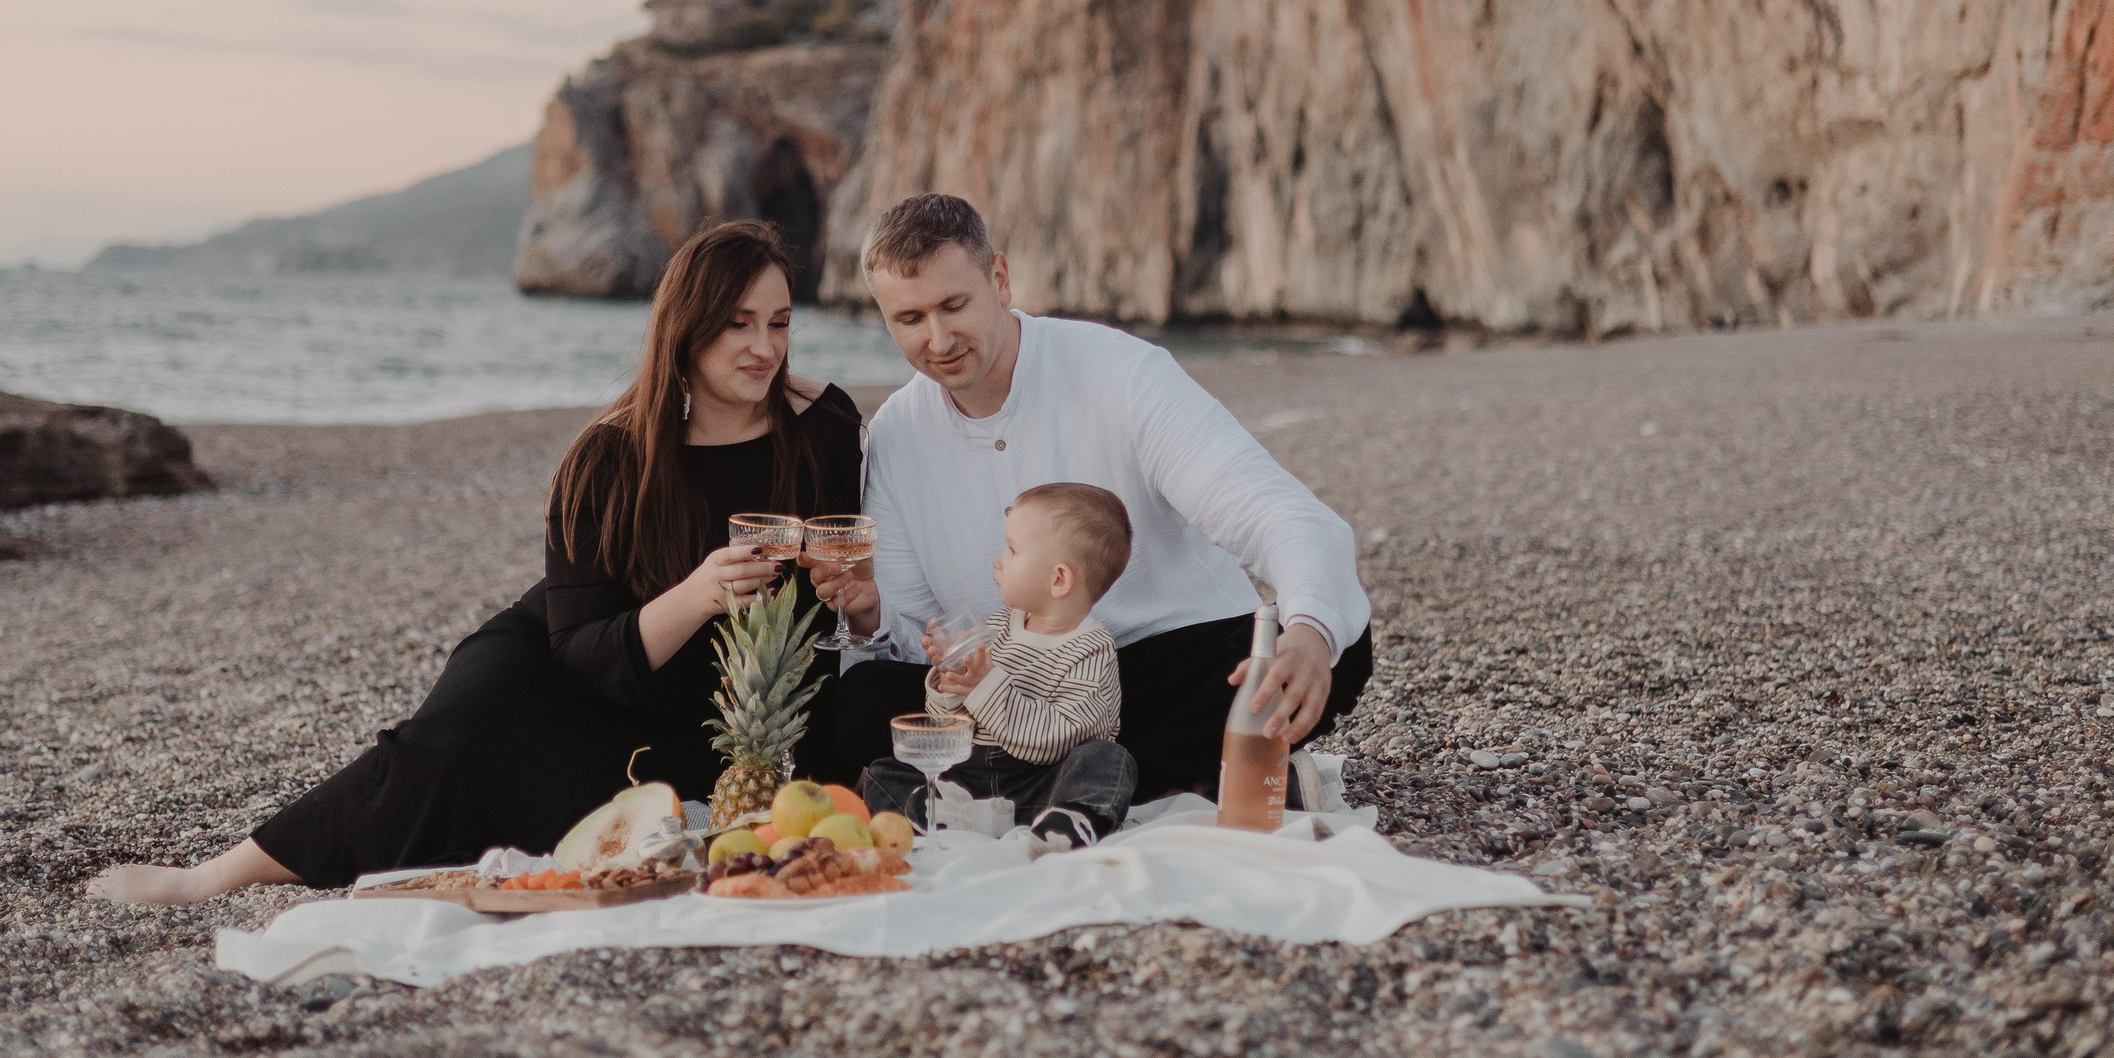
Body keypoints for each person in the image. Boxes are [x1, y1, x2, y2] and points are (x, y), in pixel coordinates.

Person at [89, 221, 863, 904]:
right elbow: (580, 646)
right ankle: (211, 877)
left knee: (569, 834)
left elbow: (831, 609)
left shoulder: (821, 431)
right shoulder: (609, 459)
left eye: (779, 322)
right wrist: (698, 594)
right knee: (439, 752)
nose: (764, 347)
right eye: (738, 324)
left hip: (704, 714)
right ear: (686, 329)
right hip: (566, 663)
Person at [830, 194, 1374, 801]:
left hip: (1165, 669)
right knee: (861, 699)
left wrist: (1307, 637)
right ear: (885, 320)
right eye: (910, 319)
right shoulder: (897, 434)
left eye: (954, 305)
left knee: (1339, 639)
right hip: (1010, 690)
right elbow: (914, 634)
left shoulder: (1122, 372)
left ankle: (1059, 782)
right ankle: (1165, 777)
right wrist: (873, 618)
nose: (939, 339)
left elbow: (1277, 511)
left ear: (1000, 280)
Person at [861, 482, 1138, 848]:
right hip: (973, 772)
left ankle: (1068, 821)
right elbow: (949, 723)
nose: (998, 560)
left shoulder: (1091, 648)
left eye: (1012, 550)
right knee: (883, 772)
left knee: (1108, 760)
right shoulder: (1002, 624)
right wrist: (951, 680)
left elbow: (1054, 740)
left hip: (1042, 780)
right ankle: (966, 817)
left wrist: (983, 685)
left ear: (1058, 579)